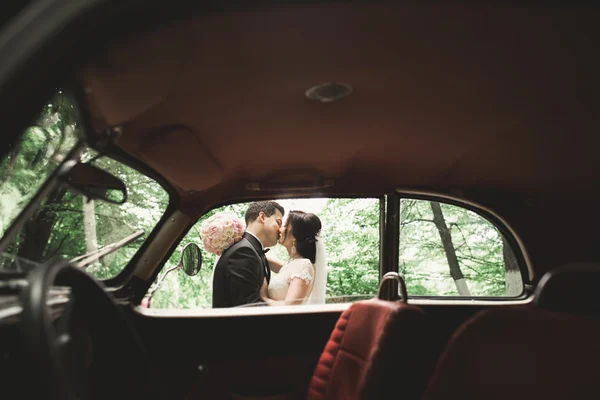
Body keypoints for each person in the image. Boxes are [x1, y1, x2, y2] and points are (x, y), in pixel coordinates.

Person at [212, 201, 284, 308]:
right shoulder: (244, 252)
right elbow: (248, 308)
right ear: (262, 217)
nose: (281, 230)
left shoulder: (251, 249)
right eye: (278, 222)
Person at [261, 210, 328, 306]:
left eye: (285, 226)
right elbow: (269, 261)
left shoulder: (304, 265)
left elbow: (290, 307)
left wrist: (264, 298)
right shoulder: (292, 263)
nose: (280, 229)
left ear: (294, 236)